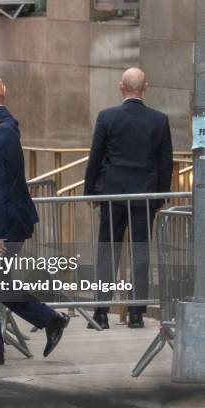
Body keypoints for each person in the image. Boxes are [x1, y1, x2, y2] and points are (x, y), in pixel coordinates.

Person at [0, 79, 70, 367]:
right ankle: (50, 320)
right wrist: (0, 103)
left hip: (0, 231)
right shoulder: (5, 131)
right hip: (15, 223)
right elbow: (12, 120)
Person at [84, 67, 173, 329]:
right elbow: (165, 163)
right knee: (141, 254)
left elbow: (96, 157)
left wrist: (91, 192)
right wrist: (160, 197)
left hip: (113, 195)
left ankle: (101, 312)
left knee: (107, 253)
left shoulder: (107, 117)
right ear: (145, 87)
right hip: (144, 196)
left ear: (121, 86)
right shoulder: (159, 120)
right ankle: (136, 313)